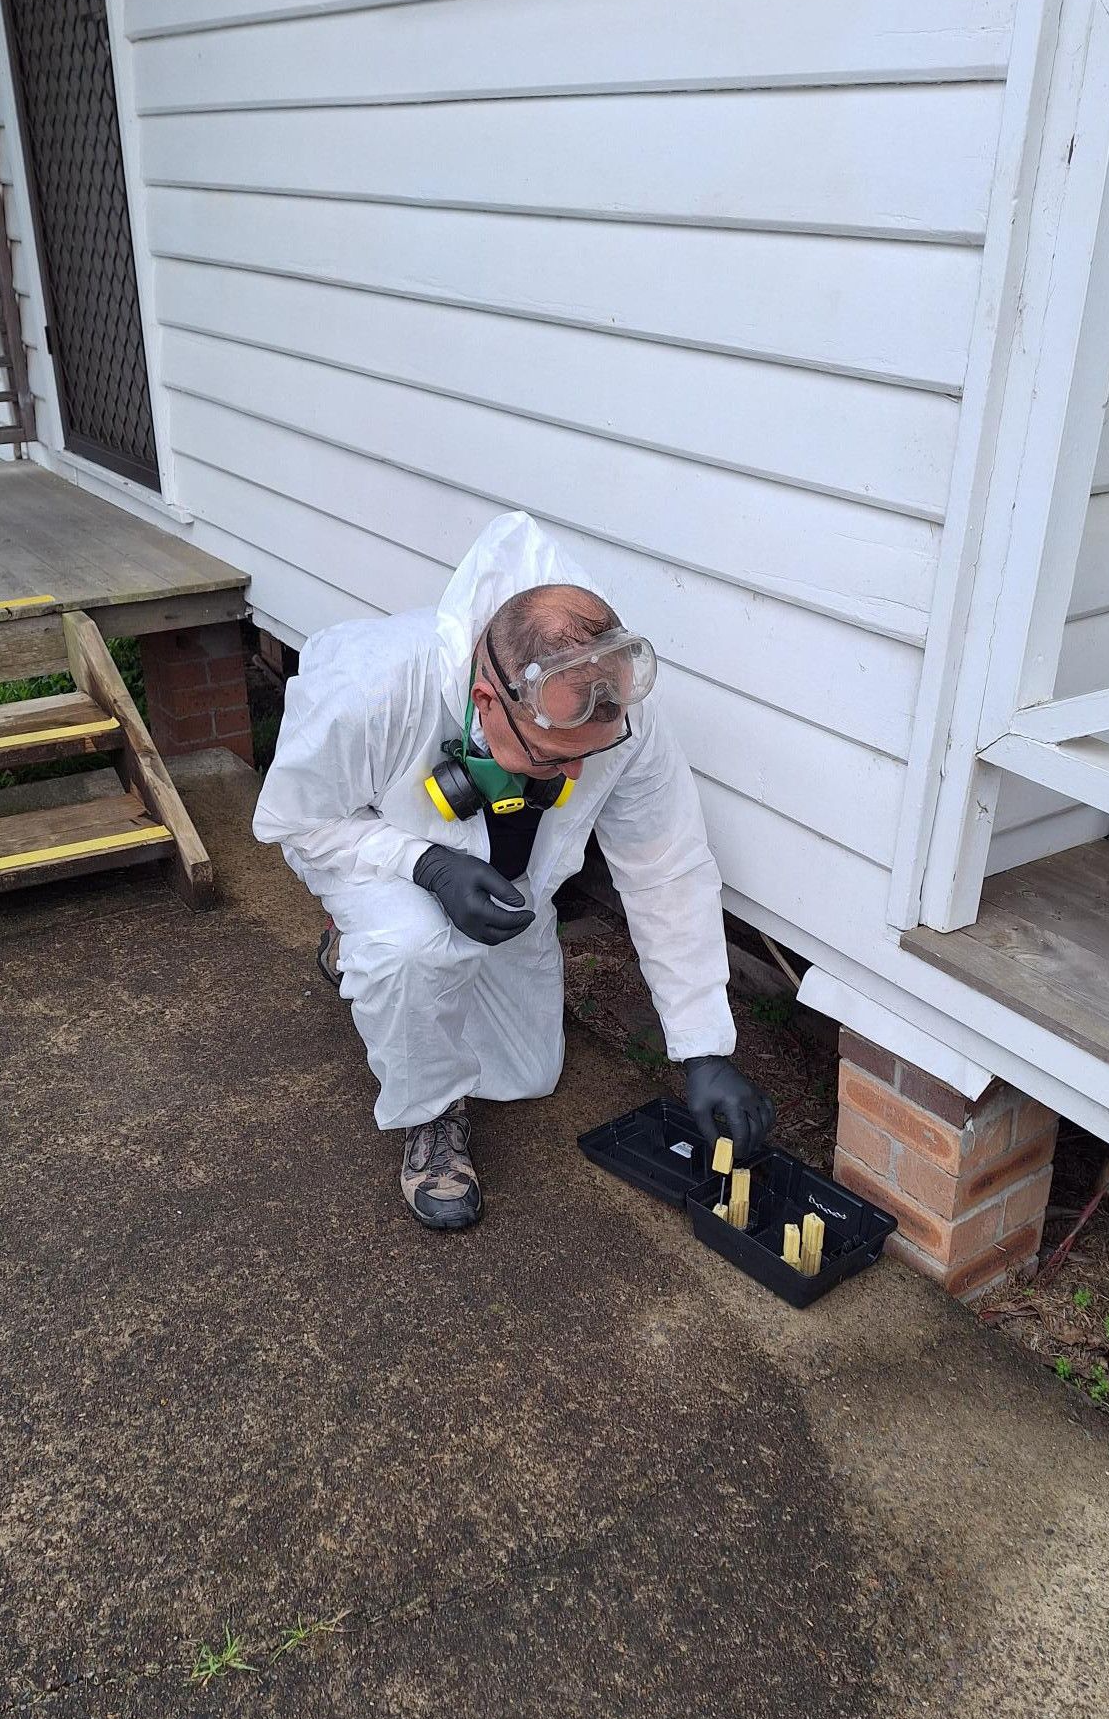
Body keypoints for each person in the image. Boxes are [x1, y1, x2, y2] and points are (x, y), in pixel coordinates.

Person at [253, 511, 775, 1230]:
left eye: (589, 757)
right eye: (552, 760)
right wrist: (424, 863)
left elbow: (666, 868)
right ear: (484, 702)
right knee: (411, 951)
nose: (576, 774)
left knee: (527, 1075)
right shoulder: (373, 689)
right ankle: (430, 1116)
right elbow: (295, 821)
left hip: (508, 879)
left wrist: (703, 1047)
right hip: (371, 850)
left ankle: (362, 955)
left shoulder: (617, 715)